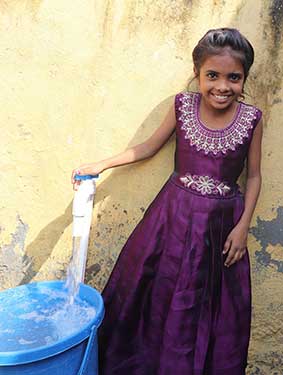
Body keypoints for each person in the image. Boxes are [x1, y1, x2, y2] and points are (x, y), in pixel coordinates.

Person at [72, 28, 263, 375]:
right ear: (197, 74)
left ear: (244, 78)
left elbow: (253, 175)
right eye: (212, 75)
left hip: (221, 231)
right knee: (155, 296)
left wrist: (243, 227)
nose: (222, 86)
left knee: (209, 308)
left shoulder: (251, 120)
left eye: (233, 77)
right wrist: (101, 164)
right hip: (172, 220)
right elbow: (148, 146)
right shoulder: (182, 105)